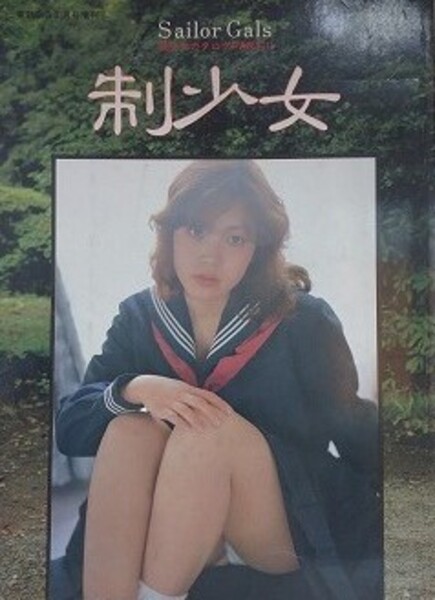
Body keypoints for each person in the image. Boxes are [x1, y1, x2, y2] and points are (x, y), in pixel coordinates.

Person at [55, 160, 381, 600]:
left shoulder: (303, 320)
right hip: (174, 516)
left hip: (277, 525)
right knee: (130, 427)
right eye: (195, 229)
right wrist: (138, 388)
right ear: (169, 234)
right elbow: (70, 429)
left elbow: (352, 424)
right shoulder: (139, 316)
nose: (210, 255)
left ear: (257, 248)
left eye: (234, 238)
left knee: (204, 427)